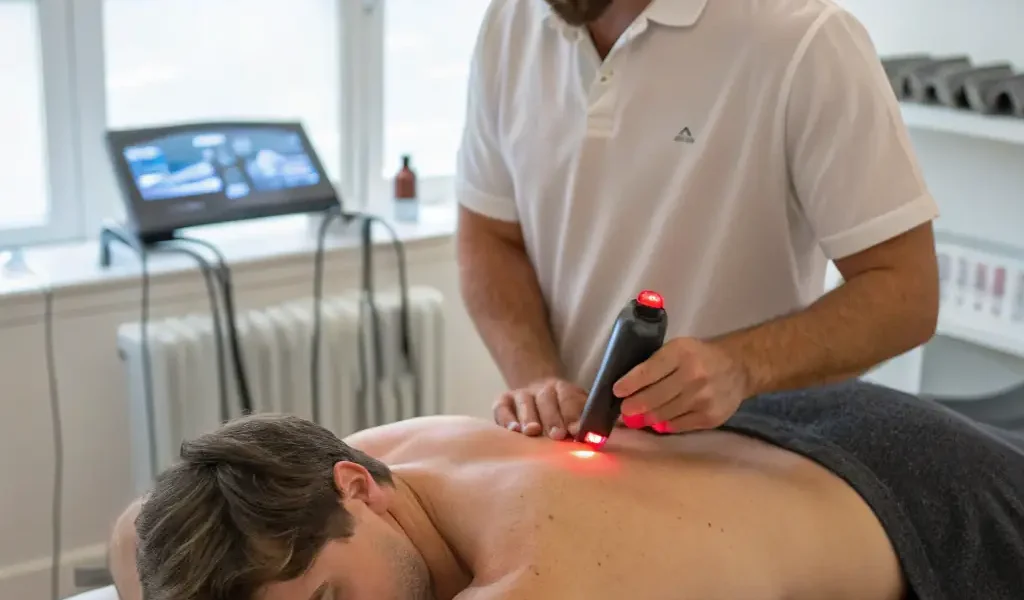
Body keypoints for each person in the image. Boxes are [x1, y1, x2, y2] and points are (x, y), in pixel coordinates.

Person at [455, 0, 941, 439]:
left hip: (751, 469)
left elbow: (906, 293)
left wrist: (741, 366)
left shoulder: (805, 40)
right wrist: (540, 381)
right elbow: (490, 237)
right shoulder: (511, 21)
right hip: (575, 460)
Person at [109, 380, 1024, 600]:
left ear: (358, 488)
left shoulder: (541, 577)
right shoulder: (360, 466)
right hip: (786, 434)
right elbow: (134, 530)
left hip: (936, 504)